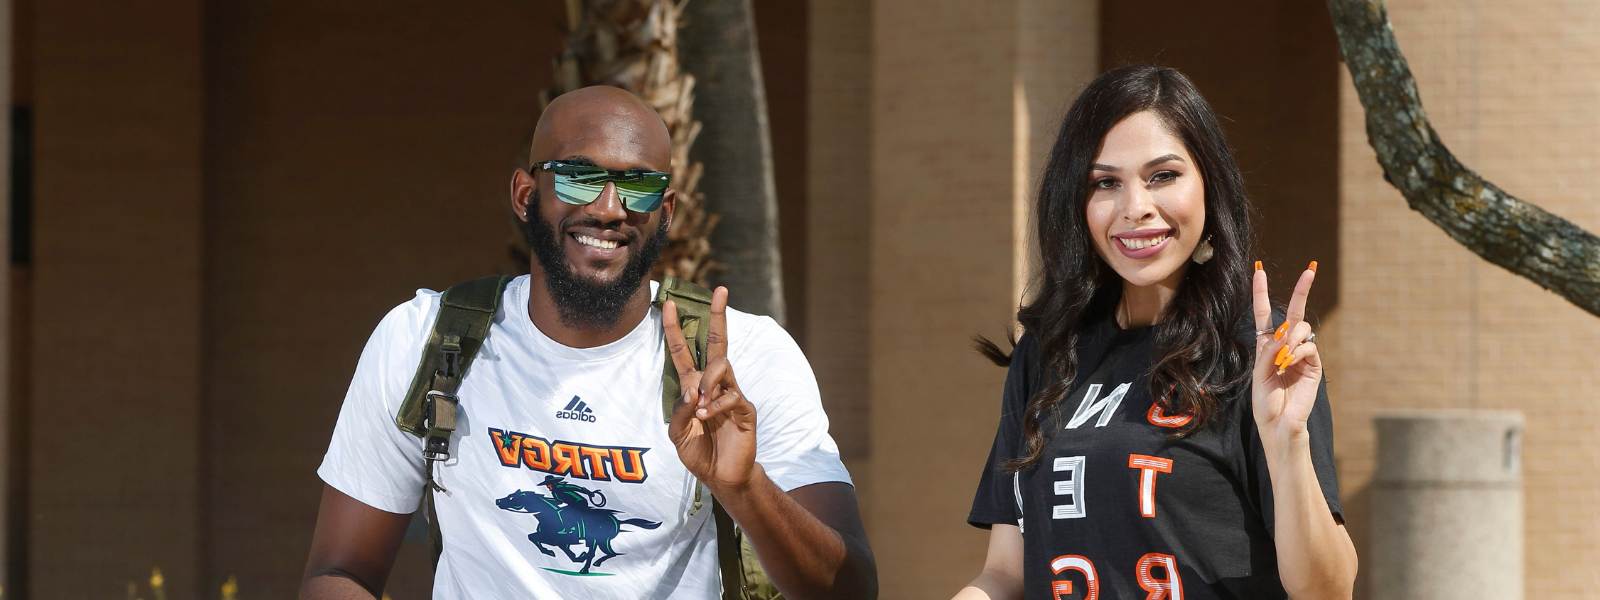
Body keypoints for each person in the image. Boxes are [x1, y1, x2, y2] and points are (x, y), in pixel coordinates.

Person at [301, 86, 876, 600]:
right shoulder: (426, 339)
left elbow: (849, 590)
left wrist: (745, 488)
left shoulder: (746, 357)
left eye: (639, 186)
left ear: (667, 210)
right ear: (526, 195)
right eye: (578, 177)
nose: (608, 209)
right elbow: (341, 570)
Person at [955, 65, 1357, 600]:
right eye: (1105, 183)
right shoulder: (1049, 355)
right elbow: (1006, 573)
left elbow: (1328, 591)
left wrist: (1287, 443)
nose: (1135, 207)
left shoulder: (1257, 350)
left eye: (1163, 175)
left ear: (1208, 187)